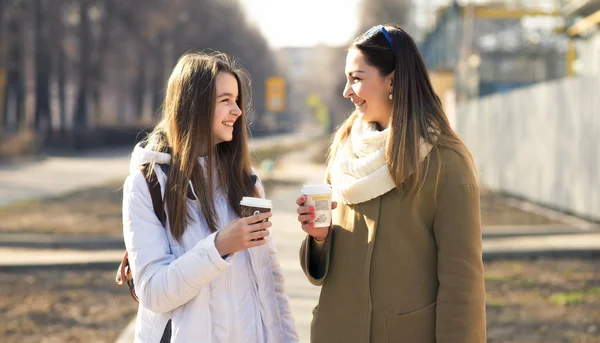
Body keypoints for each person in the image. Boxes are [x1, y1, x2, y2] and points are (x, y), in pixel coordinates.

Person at [296, 24, 486, 342]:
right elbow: (324, 272)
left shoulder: (446, 164)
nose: (347, 91)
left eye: (356, 78)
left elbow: (462, 287)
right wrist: (319, 240)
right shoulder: (345, 151)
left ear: (392, 81)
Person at [122, 52, 298, 343]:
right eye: (226, 100)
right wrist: (219, 247)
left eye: (237, 101)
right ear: (194, 106)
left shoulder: (247, 183)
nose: (238, 111)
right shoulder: (148, 184)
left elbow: (271, 285)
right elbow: (153, 292)